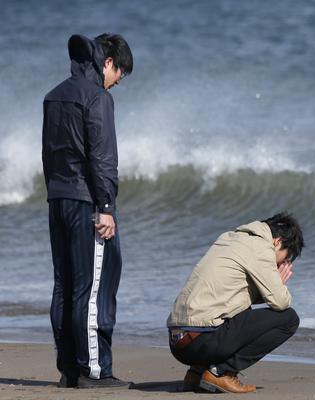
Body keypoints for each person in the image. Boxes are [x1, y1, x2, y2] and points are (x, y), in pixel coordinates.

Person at [41, 33, 133, 389]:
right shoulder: (98, 97)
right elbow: (102, 156)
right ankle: (94, 370)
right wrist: (106, 206)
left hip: (58, 199)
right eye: (119, 72)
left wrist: (55, 193)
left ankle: (69, 368)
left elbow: (49, 154)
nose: (117, 81)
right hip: (87, 204)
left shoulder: (54, 95)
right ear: (106, 62)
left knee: (64, 286)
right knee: (93, 288)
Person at [167, 213, 304, 393]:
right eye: (285, 258)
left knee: (240, 310)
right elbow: (280, 302)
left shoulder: (229, 238)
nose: (282, 263)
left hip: (179, 342)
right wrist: (278, 282)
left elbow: (234, 296)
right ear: (277, 242)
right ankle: (220, 372)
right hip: (201, 341)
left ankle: (197, 373)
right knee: (288, 319)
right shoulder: (261, 247)